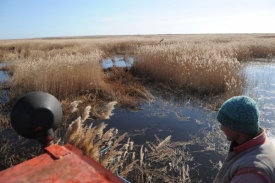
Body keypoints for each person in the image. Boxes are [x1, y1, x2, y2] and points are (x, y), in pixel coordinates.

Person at [213, 96, 275, 183]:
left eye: (224, 123)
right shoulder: (264, 143)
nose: (221, 128)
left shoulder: (247, 177)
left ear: (237, 128)